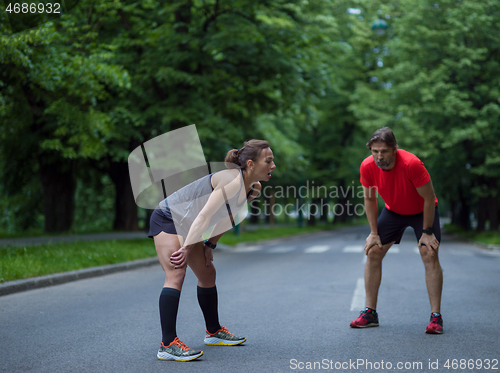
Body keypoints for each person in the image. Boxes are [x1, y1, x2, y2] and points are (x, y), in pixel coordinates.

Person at [148, 139, 276, 361]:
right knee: (177, 272)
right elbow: (204, 216)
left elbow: (229, 216)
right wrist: (187, 249)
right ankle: (167, 344)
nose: (273, 165)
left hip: (189, 224)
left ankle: (213, 331)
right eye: (269, 160)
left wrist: (210, 245)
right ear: (251, 164)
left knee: (208, 273)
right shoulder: (231, 181)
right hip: (169, 217)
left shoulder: (253, 188)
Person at [350, 127, 443, 334]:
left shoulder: (412, 164)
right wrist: (374, 232)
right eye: (375, 151)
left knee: (429, 253)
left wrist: (427, 232)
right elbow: (369, 198)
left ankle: (436, 317)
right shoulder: (367, 166)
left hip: (422, 210)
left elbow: (429, 198)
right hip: (393, 211)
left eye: (383, 151)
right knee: (373, 251)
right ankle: (370, 313)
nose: (379, 156)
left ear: (394, 149)